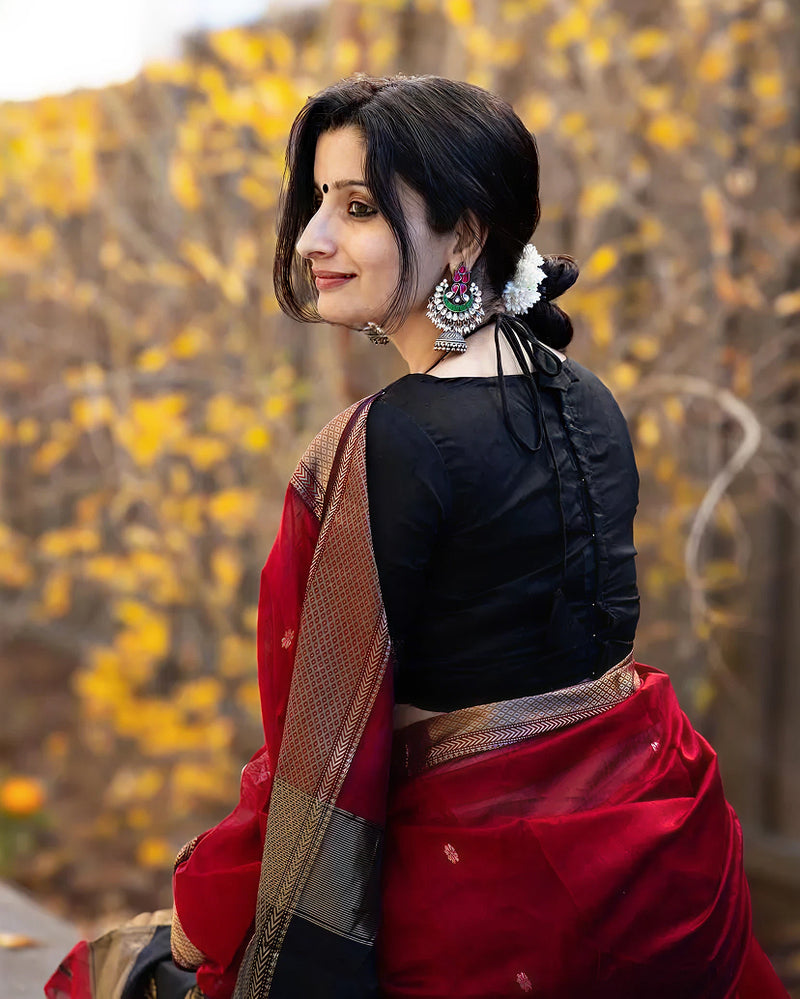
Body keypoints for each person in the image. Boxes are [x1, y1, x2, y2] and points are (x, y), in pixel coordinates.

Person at [46, 74, 788, 999]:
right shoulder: (586, 396)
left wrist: (209, 907)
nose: (315, 238)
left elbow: (320, 751)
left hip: (490, 906)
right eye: (318, 200)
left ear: (467, 235)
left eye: (357, 208)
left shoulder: (389, 441)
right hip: (656, 855)